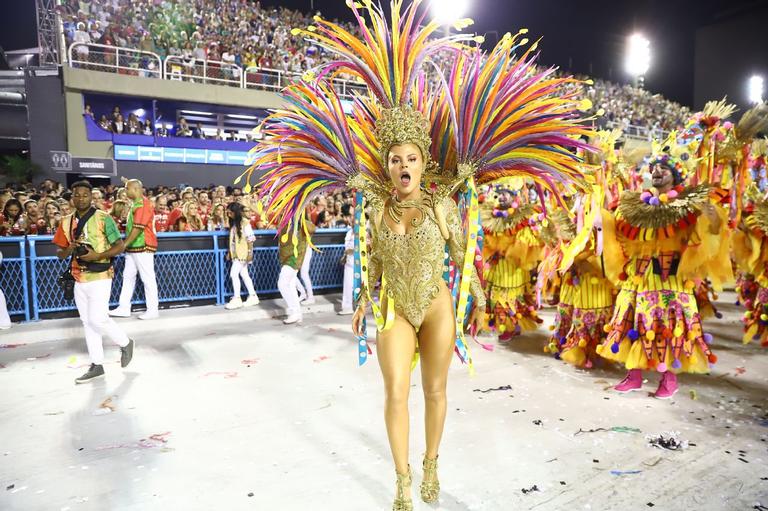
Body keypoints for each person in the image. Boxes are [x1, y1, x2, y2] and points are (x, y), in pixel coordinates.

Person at [248, 3, 590, 507]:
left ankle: (431, 462)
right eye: (395, 159)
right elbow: (373, 259)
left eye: (411, 158)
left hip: (436, 304)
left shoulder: (443, 204)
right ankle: (403, 478)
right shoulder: (374, 206)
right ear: (386, 165)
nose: (403, 165)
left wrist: (468, 229)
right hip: (393, 306)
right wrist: (366, 297)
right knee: (394, 393)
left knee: (434, 392)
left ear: (423, 162)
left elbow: (463, 252)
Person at [598, 151, 732, 398]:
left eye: (664, 168)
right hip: (639, 275)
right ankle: (634, 375)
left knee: (666, 326)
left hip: (670, 278)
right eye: (654, 168)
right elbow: (619, 231)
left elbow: (707, 234)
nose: (657, 172)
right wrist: (599, 213)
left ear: (675, 175)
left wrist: (711, 220)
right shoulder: (637, 203)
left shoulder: (687, 204)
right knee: (631, 323)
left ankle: (669, 380)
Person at [52, 180, 134, 384]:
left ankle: (125, 342)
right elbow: (60, 254)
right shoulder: (65, 221)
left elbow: (120, 246)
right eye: (77, 195)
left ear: (92, 197)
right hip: (78, 277)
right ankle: (97, 365)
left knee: (97, 319)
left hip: (100, 275)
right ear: (72, 197)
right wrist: (69, 249)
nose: (81, 198)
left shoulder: (103, 218)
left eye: (85, 195)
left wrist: (97, 256)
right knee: (88, 322)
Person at [110, 179, 159, 320]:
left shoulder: (143, 204)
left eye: (127, 189)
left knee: (147, 278)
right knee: (128, 276)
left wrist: (124, 244)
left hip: (143, 245)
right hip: (134, 247)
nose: (125, 191)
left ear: (136, 189)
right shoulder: (136, 204)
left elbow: (138, 228)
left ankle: (153, 310)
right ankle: (124, 308)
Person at [224, 203, 260, 309]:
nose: (228, 214)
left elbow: (251, 239)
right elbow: (233, 241)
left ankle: (237, 298)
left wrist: (250, 253)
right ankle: (253, 296)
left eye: (230, 212)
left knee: (234, 274)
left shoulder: (245, 223)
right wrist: (230, 252)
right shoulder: (235, 223)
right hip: (237, 254)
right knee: (244, 275)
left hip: (243, 254)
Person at [338, 203, 355, 315]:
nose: (350, 218)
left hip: (358, 261)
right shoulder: (349, 231)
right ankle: (347, 307)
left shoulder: (363, 230)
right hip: (349, 261)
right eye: (349, 216)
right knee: (348, 284)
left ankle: (357, 306)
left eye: (351, 215)